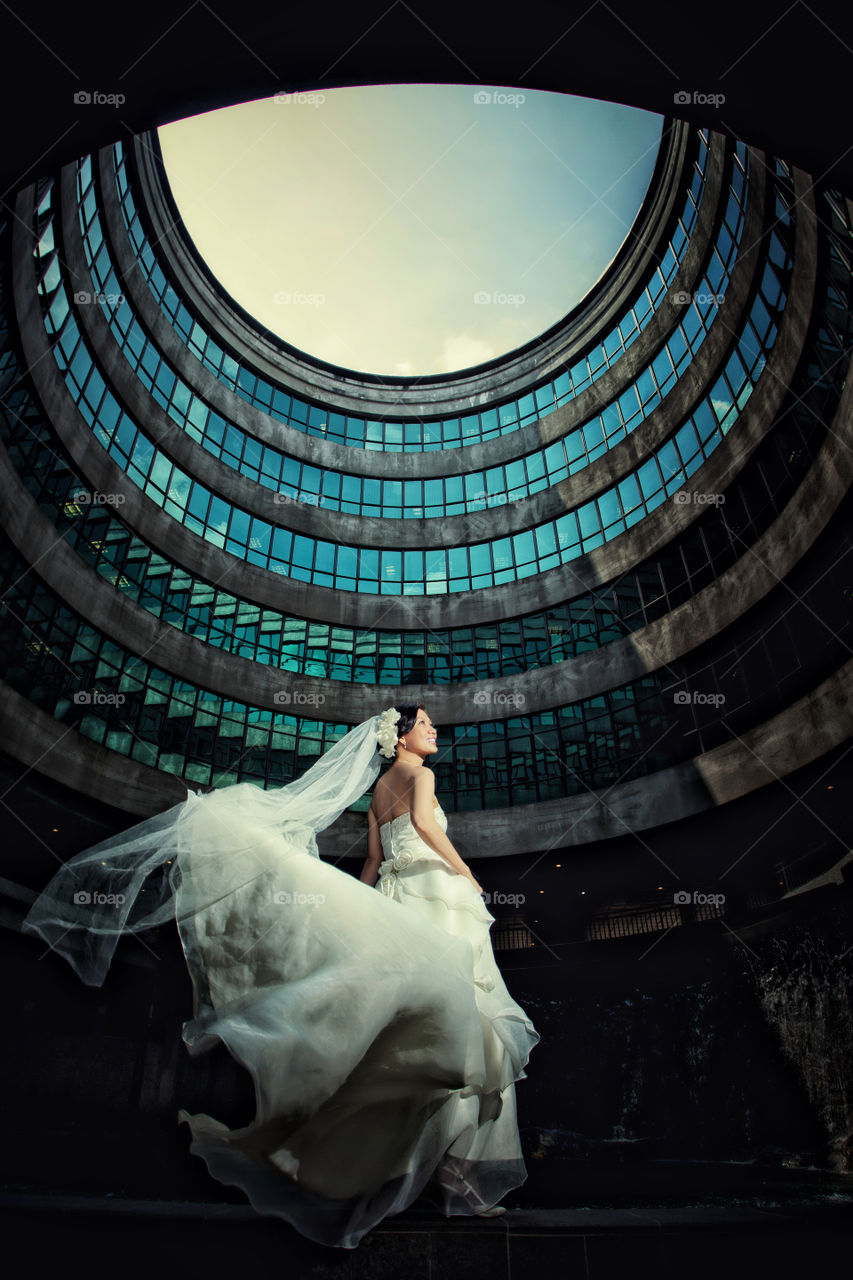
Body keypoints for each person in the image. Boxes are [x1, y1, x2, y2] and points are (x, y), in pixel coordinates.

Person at [22, 703, 539, 1250]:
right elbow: (427, 826)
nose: (435, 731)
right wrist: (470, 876)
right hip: (438, 896)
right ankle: (455, 1173)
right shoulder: (423, 774)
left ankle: (401, 1165)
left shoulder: (378, 790)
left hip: (397, 899)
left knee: (404, 1030)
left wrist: (365, 916)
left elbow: (370, 861)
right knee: (461, 1021)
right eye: (426, 724)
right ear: (402, 737)